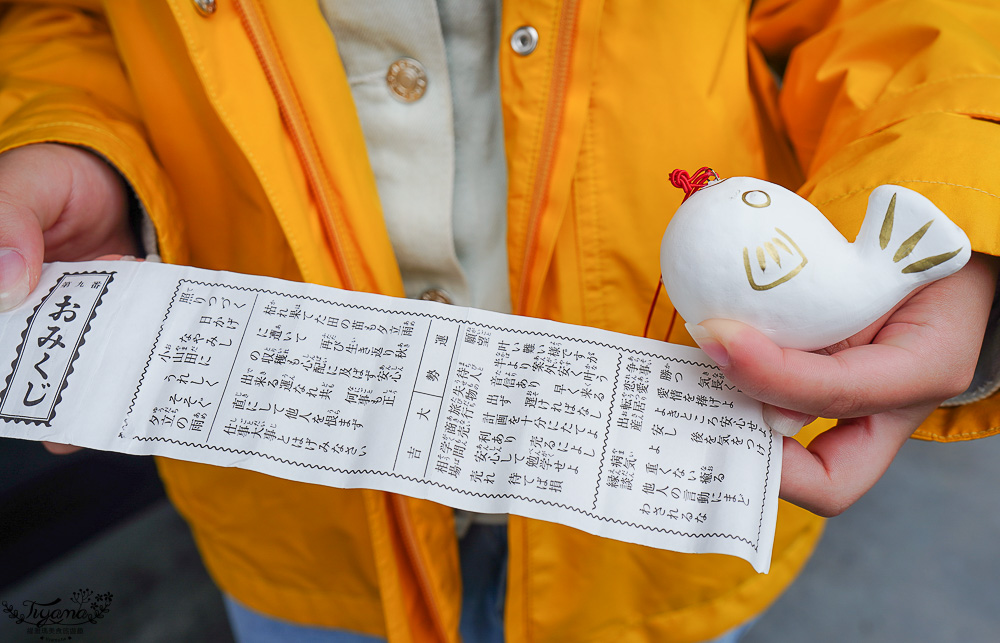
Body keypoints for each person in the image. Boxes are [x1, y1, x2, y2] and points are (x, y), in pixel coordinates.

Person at [0, 1, 998, 641]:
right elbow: (64, 15)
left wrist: (953, 200)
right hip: (297, 500)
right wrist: (74, 137)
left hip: (658, 499)